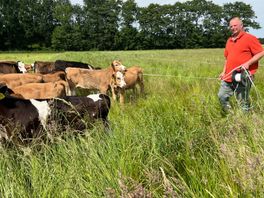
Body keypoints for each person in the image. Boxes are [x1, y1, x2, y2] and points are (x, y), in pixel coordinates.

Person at [218, 17, 264, 113]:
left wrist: (248, 63)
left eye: (235, 25)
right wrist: (223, 72)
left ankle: (244, 120)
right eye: (231, 26)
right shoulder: (229, 40)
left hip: (243, 76)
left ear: (241, 26)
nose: (233, 27)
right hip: (228, 76)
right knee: (222, 96)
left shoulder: (250, 38)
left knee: (242, 101)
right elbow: (228, 58)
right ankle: (230, 114)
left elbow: (261, 52)